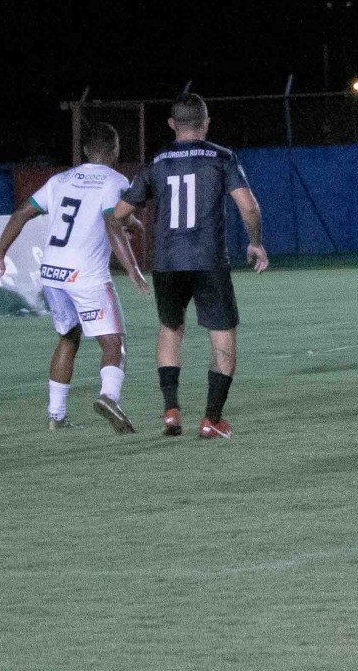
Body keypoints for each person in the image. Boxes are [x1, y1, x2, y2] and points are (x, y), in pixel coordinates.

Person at [114, 94, 268, 438]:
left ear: (172, 124)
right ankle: (212, 419)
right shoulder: (222, 157)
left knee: (171, 329)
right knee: (222, 335)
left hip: (167, 261)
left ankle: (171, 411)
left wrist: (130, 225)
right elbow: (249, 207)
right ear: (206, 123)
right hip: (208, 259)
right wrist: (255, 243)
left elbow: (120, 213)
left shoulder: (156, 161)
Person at [0, 123, 150, 432]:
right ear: (115, 150)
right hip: (86, 275)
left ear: (84, 150)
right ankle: (109, 397)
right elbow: (112, 221)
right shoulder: (115, 180)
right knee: (113, 343)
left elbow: (21, 213)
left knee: (68, 337)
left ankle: (56, 416)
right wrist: (133, 268)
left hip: (52, 274)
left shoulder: (60, 180)